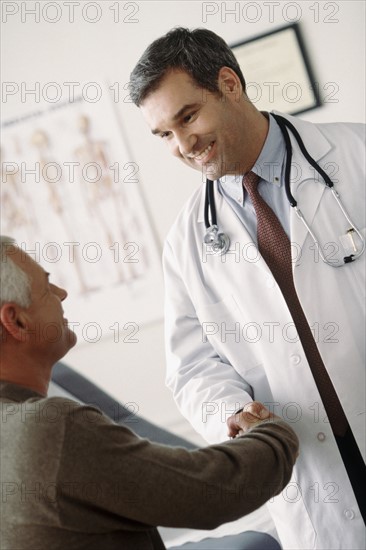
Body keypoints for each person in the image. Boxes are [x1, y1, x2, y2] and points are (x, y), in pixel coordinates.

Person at [129, 27, 366, 550]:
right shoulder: (187, 242)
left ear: (230, 84)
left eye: (188, 117)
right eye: (163, 134)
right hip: (314, 467)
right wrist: (230, 412)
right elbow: (192, 366)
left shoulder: (358, 156)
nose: (183, 145)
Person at [0, 235, 298, 550]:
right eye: (47, 288)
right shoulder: (48, 429)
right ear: (16, 320)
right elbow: (211, 492)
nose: (62, 293)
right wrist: (272, 432)